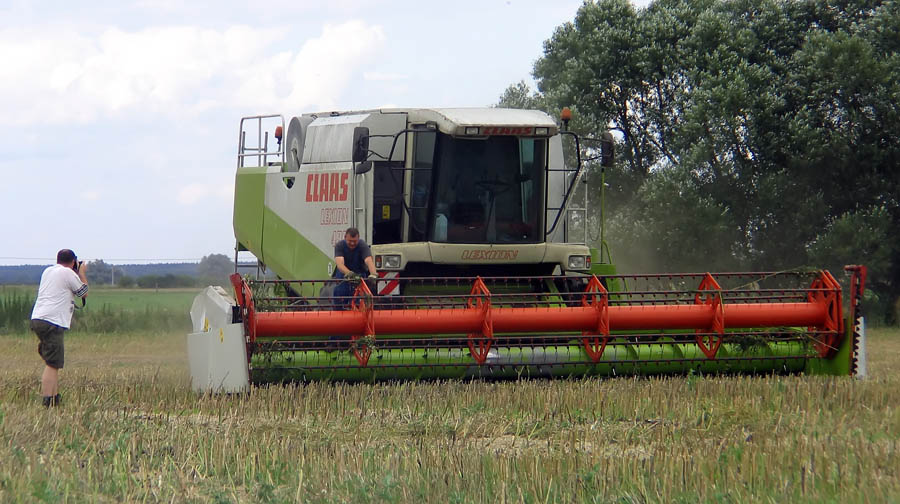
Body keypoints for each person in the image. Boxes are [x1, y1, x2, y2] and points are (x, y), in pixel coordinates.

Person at [30, 249, 89, 407]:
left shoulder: (48, 271)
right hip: (52, 321)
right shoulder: (68, 273)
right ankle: (48, 400)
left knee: (53, 361)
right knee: (53, 363)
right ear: (73, 261)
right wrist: (81, 272)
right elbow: (83, 292)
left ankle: (55, 398)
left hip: (38, 318)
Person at [332, 227, 377, 306]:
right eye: (350, 241)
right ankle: (339, 312)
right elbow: (340, 264)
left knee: (361, 299)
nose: (352, 243)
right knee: (340, 294)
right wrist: (349, 274)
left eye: (355, 241)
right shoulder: (340, 246)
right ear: (345, 238)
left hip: (359, 275)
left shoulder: (363, 245)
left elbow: (368, 260)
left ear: (358, 238)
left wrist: (373, 274)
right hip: (344, 275)